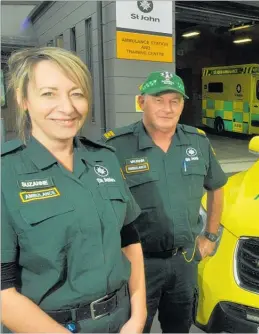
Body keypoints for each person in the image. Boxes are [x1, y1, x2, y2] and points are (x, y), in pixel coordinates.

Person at [1, 47, 147, 333]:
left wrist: (138, 316)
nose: (67, 107)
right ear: (23, 99)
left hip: (121, 321)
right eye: (49, 93)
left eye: (77, 93)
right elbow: (3, 291)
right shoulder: (6, 172)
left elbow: (129, 239)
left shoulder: (104, 158)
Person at [102, 71, 227, 333]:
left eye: (175, 101)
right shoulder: (115, 147)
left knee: (180, 327)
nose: (167, 108)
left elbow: (217, 187)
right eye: (158, 100)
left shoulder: (198, 142)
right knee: (134, 327)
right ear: (140, 102)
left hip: (184, 262)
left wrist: (210, 237)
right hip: (136, 264)